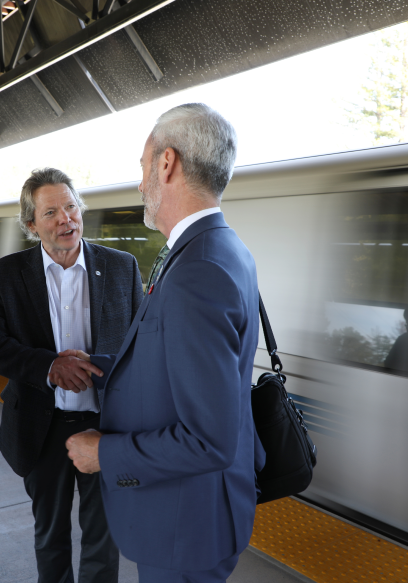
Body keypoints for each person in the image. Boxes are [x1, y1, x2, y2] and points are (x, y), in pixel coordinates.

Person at [65, 103, 265, 582]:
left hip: (184, 527)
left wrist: (102, 455)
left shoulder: (198, 270)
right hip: (198, 514)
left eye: (142, 166)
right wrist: (111, 364)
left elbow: (207, 439)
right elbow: (187, 361)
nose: (139, 182)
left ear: (167, 163)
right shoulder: (221, 248)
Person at [0, 168, 143, 583]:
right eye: (51, 212)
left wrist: (99, 366)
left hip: (105, 425)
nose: (66, 219)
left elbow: (143, 345)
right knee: (50, 533)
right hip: (40, 425)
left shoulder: (121, 267)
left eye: (71, 207)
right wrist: (49, 366)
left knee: (104, 535)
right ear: (32, 225)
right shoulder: (5, 275)